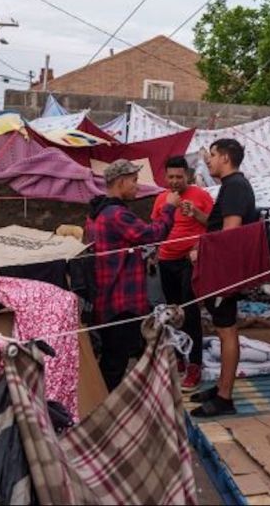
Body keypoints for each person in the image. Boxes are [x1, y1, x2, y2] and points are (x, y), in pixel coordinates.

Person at [90, 159, 179, 391]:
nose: (137, 186)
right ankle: (105, 411)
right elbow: (152, 234)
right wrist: (169, 207)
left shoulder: (99, 212)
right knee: (115, 362)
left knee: (115, 358)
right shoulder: (116, 214)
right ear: (120, 182)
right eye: (134, 180)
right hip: (121, 300)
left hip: (110, 297)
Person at [189, 138, 261, 418]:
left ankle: (224, 397)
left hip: (224, 274)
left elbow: (230, 234)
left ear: (226, 159)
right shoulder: (232, 187)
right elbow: (219, 224)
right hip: (223, 271)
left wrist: (201, 253)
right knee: (222, 330)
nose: (209, 160)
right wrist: (197, 215)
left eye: (214, 154)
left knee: (226, 331)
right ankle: (221, 387)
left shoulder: (235, 187)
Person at [152, 156, 215, 391]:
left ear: (187, 175)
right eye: (171, 177)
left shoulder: (201, 195)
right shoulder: (161, 199)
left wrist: (197, 214)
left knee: (189, 310)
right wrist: (154, 254)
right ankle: (178, 358)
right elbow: (156, 229)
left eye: (179, 177)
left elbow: (215, 225)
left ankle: (195, 364)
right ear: (165, 177)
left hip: (190, 259)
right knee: (171, 311)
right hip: (166, 259)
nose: (175, 181)